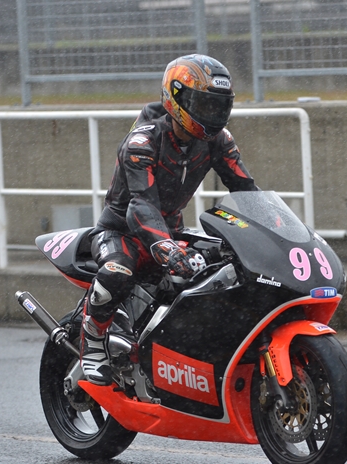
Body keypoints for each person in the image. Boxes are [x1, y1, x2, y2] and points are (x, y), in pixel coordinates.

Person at [80, 54, 259, 385]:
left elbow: (247, 191)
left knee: (224, 268)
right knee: (118, 270)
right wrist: (167, 247)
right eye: (204, 105)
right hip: (121, 231)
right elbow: (140, 206)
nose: (213, 115)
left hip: (171, 231)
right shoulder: (143, 141)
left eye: (219, 106)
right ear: (176, 99)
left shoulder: (219, 140)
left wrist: (279, 232)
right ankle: (92, 343)